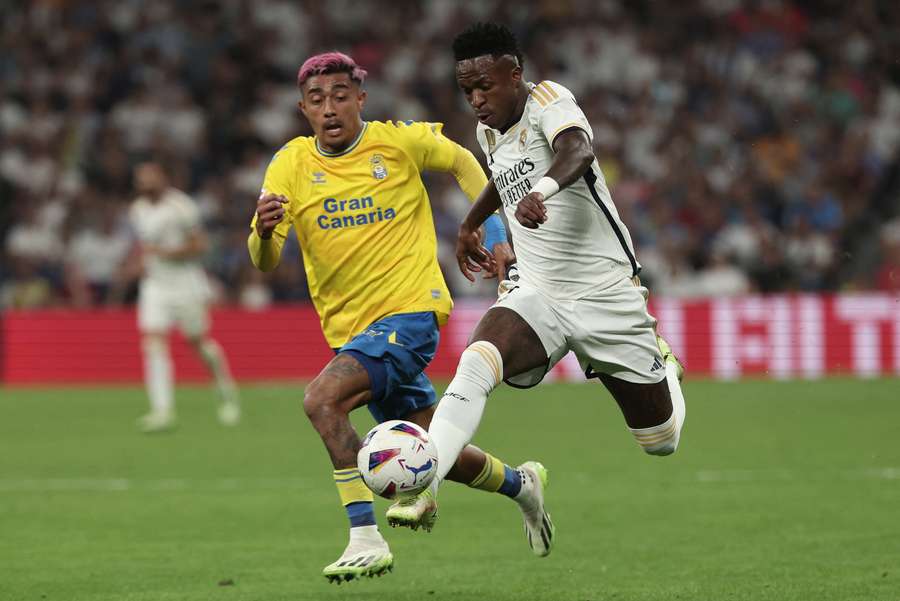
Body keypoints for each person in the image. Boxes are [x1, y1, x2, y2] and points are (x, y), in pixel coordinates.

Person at [247, 52, 552, 584]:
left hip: (410, 313)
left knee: (322, 401)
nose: (330, 108)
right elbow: (264, 261)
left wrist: (496, 232)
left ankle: (364, 538)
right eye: (317, 100)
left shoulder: (396, 141)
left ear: (360, 99)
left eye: (340, 95)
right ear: (303, 110)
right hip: (352, 333)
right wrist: (264, 231)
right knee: (437, 449)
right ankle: (522, 485)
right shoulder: (289, 165)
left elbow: (461, 160)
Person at [392, 23, 688, 552]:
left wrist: (543, 189)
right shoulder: (489, 130)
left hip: (604, 293)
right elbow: (499, 177)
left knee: (660, 442)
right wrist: (470, 223)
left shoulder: (549, 100)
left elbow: (578, 150)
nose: (477, 100)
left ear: (515, 74)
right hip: (538, 292)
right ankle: (427, 483)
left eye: (485, 85)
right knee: (477, 362)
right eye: (467, 91)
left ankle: (664, 365)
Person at [129, 161, 241, 432]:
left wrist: (167, 254)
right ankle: (162, 411)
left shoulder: (181, 206)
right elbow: (145, 247)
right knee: (153, 341)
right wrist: (141, 263)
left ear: (162, 178)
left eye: (149, 178)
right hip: (155, 286)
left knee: (197, 342)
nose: (145, 183)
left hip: (185, 284)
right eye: (140, 179)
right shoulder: (137, 210)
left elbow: (200, 244)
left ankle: (225, 391)